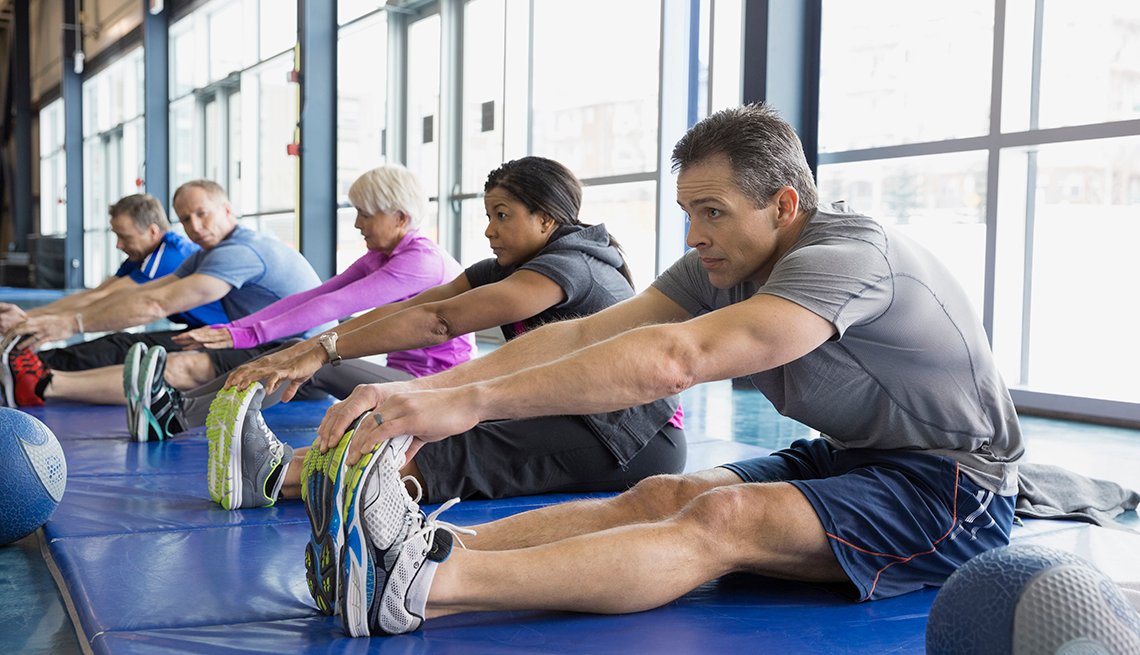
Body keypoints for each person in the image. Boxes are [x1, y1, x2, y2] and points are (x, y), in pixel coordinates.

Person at [309, 104, 1023, 637]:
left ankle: (419, 587)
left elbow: (679, 358)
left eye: (711, 212)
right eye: (687, 212)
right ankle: (404, 552)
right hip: (855, 456)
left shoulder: (847, 259)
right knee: (660, 494)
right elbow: (584, 334)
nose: (694, 235)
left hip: (954, 487)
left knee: (723, 515)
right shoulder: (723, 261)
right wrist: (427, 393)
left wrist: (473, 403)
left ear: (784, 205)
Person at [210, 156, 685, 614]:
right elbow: (412, 307)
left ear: (546, 219)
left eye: (502, 215)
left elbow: (440, 321)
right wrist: (315, 345)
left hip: (628, 437)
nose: (489, 230)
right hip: (567, 410)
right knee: (412, 424)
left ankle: (277, 477)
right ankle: (280, 467)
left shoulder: (570, 267)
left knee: (459, 447)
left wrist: (320, 353)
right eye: (488, 215)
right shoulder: (512, 266)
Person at [125, 163, 474, 441]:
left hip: (433, 388)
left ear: (400, 218)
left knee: (316, 362)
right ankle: (177, 405)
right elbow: (316, 295)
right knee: (297, 349)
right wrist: (235, 330)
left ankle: (177, 418)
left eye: (366, 214)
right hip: (405, 376)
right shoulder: (384, 255)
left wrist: (243, 336)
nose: (357, 224)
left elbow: (334, 306)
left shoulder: (421, 262)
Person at [0, 180, 330, 416]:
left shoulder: (238, 252)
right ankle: (23, 371)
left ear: (227, 209)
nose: (194, 226)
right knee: (130, 345)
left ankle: (42, 383)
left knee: (176, 366)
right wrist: (46, 320)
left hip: (298, 358)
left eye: (202, 214)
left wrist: (67, 324)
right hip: (243, 338)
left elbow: (155, 304)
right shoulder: (205, 253)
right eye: (186, 219)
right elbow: (130, 294)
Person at [0, 193, 224, 337]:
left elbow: (105, 299)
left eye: (125, 237)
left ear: (153, 231)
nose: (119, 245)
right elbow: (95, 294)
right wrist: (28, 316)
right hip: (200, 330)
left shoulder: (169, 256)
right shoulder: (143, 256)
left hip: (221, 335)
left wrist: (27, 320)